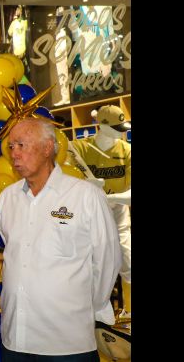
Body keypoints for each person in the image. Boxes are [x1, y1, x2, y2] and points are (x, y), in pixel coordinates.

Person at [0, 117, 121, 361]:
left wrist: (87, 307)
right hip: (15, 338)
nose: (14, 154)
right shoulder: (7, 199)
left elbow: (108, 261)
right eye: (11, 146)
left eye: (22, 145)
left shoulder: (85, 196)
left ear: (47, 148)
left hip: (66, 342)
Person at [69, 105, 131, 315]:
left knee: (129, 264)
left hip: (118, 215)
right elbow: (66, 177)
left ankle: (129, 312)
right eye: (116, 127)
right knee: (91, 265)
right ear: (101, 125)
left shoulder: (126, 150)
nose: (120, 131)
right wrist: (87, 186)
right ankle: (91, 313)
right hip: (89, 217)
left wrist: (108, 196)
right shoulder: (80, 148)